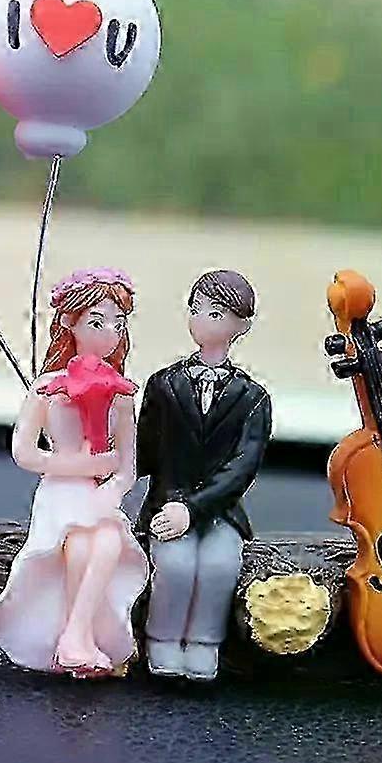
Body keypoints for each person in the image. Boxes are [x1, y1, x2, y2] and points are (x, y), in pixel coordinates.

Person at [0, 268, 149, 677]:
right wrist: (84, 465)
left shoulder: (121, 393)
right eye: (97, 322)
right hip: (59, 488)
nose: (110, 333)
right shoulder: (47, 387)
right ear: (70, 323)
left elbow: (127, 467)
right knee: (78, 544)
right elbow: (24, 452)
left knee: (108, 540)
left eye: (118, 324)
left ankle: (77, 636)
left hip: (96, 493)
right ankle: (75, 640)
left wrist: (110, 491)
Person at [137, 270, 272, 680]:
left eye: (214, 314)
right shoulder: (163, 385)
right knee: (174, 564)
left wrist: (193, 509)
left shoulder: (252, 397)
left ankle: (204, 641)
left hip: (220, 510)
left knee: (219, 565)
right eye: (196, 310)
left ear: (241, 326)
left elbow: (242, 467)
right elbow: (143, 449)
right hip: (167, 502)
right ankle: (162, 637)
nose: (200, 320)